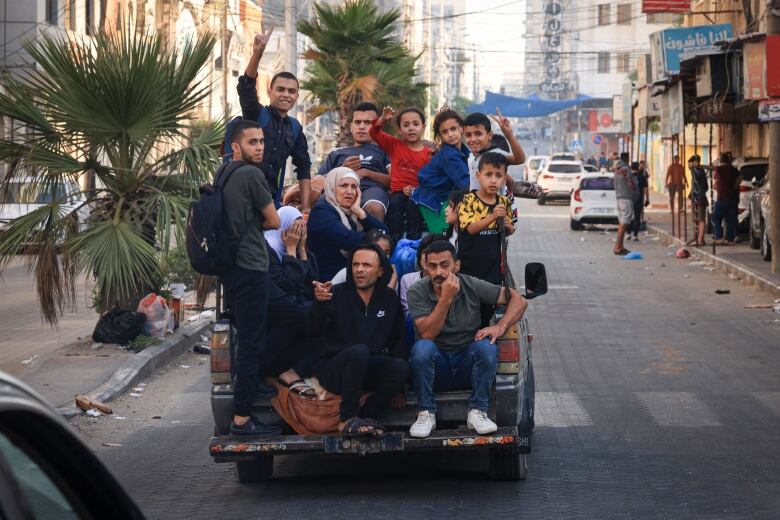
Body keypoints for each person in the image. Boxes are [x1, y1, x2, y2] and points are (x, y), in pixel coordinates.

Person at [406, 240, 528, 438]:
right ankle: (426, 413)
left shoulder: (470, 284)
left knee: (486, 347)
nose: (439, 272)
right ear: (425, 267)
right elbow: (427, 334)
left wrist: (499, 326)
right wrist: (446, 298)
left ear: (457, 265)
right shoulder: (417, 291)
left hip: (466, 364)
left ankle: (478, 411)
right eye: (433, 266)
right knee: (422, 348)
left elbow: (518, 300)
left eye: (445, 265)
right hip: (437, 368)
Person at [305, 243, 409, 436]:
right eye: (355, 265)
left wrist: (399, 389)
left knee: (400, 367)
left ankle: (366, 415)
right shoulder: (334, 293)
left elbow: (398, 340)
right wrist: (319, 304)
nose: (359, 270)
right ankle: (347, 419)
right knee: (358, 351)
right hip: (335, 368)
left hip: (367, 366)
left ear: (380, 271)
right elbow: (312, 329)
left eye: (366, 265)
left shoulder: (389, 298)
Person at [219, 120, 282, 436]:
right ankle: (242, 418)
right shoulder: (251, 174)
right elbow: (273, 219)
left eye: (261, 141)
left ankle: (266, 378)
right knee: (252, 343)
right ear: (235, 146)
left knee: (274, 321)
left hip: (233, 268)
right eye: (252, 142)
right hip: (252, 266)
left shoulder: (224, 173)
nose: (259, 147)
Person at [237, 28, 312, 209]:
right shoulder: (256, 115)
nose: (286, 95)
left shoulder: (294, 128)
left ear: (297, 96)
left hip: (271, 202)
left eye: (291, 91)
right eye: (280, 89)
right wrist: (257, 54)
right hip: (242, 198)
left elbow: (304, 167)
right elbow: (246, 87)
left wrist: (306, 207)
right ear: (270, 91)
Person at [458, 153, 514, 326]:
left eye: (498, 176)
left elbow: (510, 229)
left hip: (493, 270)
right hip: (468, 269)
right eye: (488, 175)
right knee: (467, 313)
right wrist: (492, 217)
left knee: (485, 314)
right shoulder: (468, 200)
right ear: (478, 176)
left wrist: (507, 225)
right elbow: (471, 228)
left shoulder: (504, 201)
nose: (493, 180)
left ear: (504, 179)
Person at [307, 167, 388, 280]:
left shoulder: (352, 213)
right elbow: (349, 240)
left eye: (354, 187)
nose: (349, 191)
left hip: (351, 277)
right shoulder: (321, 212)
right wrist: (377, 239)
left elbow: (384, 233)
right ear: (332, 187)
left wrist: (360, 213)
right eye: (343, 185)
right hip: (328, 283)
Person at [318, 102, 390, 221]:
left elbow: (395, 181)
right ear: (351, 126)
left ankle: (375, 239)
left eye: (367, 123)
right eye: (357, 122)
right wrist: (342, 169)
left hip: (372, 190)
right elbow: (318, 181)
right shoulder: (336, 153)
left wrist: (367, 173)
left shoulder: (385, 150)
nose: (361, 126)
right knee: (319, 205)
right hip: (338, 191)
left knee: (374, 208)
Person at [370, 106, 432, 242]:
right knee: (394, 207)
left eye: (415, 124)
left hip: (417, 193)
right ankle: (393, 242)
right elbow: (374, 133)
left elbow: (431, 179)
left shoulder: (428, 154)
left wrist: (417, 190)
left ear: (423, 127)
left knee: (413, 208)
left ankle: (412, 243)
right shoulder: (394, 145)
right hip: (398, 191)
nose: (411, 128)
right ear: (399, 130)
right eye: (406, 125)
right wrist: (382, 119)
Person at [411, 109, 470, 234]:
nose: (450, 134)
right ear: (440, 136)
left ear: (462, 128)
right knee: (445, 240)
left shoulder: (464, 150)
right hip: (434, 202)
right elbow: (466, 183)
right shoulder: (449, 154)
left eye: (453, 129)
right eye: (445, 132)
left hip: (443, 199)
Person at [265, 206, 319, 307]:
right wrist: (291, 249)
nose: (297, 234)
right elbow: (288, 284)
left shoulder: (298, 247)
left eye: (300, 228)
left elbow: (311, 284)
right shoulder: (268, 250)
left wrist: (302, 249)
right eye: (294, 229)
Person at [463, 110, 526, 193]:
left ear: (489, 135)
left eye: (478, 134)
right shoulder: (472, 156)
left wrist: (509, 135)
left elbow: (519, 159)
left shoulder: (495, 153)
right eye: (468, 135)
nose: (473, 139)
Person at [331, 228, 398, 290]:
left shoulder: (392, 276)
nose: (382, 255)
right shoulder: (347, 273)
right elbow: (328, 293)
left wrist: (391, 287)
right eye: (377, 250)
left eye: (386, 253)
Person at [712, 152, 741, 245]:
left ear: (720, 160)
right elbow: (740, 179)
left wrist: (717, 187)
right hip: (732, 198)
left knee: (716, 217)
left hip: (722, 197)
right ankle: (730, 240)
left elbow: (715, 182)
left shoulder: (719, 169)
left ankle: (719, 237)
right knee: (730, 220)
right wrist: (734, 186)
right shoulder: (734, 170)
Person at [613, 152, 636, 255]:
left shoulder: (616, 169)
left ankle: (620, 246)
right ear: (627, 159)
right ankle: (617, 247)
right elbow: (630, 183)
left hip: (619, 197)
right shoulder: (626, 169)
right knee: (624, 223)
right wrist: (635, 192)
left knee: (622, 222)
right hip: (626, 197)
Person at [688, 155, 709, 247]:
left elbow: (704, 186)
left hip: (699, 198)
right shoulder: (698, 171)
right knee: (695, 219)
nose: (689, 165)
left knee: (701, 219)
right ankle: (697, 237)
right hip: (695, 198)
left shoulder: (697, 171)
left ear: (695, 162)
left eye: (690, 163)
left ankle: (700, 239)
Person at [630, 161, 650, 241]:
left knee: (629, 217)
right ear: (638, 167)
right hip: (639, 199)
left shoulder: (628, 176)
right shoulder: (642, 177)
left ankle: (628, 233)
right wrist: (647, 199)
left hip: (629, 199)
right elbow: (645, 189)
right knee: (637, 217)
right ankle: (635, 235)